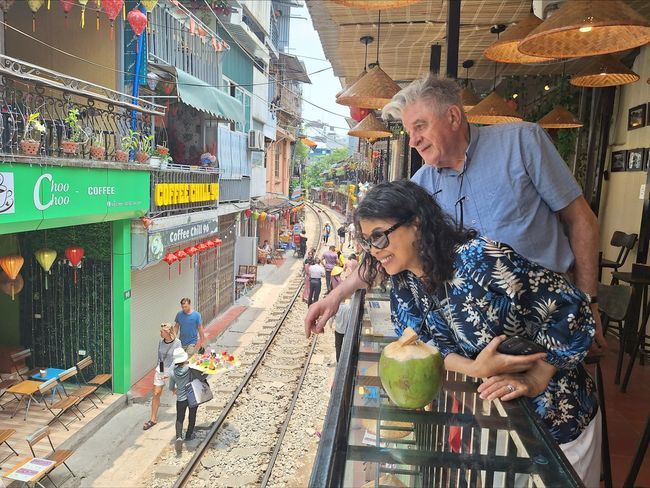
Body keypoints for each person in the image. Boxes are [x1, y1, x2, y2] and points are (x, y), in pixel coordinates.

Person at [305, 75, 604, 354]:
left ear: (453, 117)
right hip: (482, 338)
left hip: (552, 321)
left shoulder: (522, 143)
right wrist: (336, 296)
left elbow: (581, 221)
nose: (413, 141)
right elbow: (387, 253)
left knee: (563, 406)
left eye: (420, 126)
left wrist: (588, 304)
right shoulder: (421, 184)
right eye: (409, 131)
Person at [355, 180, 600, 486]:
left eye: (379, 237)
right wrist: (473, 367)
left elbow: (571, 307)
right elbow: (424, 344)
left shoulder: (479, 260)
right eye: (367, 241)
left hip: (558, 417)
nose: (374, 250)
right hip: (501, 420)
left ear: (416, 223)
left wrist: (538, 375)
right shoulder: (406, 283)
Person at [143, 323, 182, 430]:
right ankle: (153, 419)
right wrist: (161, 371)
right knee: (156, 393)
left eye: (162, 332)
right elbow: (160, 357)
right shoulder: (161, 341)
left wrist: (168, 373)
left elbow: (177, 359)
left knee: (177, 392)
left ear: (168, 332)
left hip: (172, 371)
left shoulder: (177, 343)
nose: (160, 333)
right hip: (161, 369)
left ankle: (182, 415)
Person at [169, 347, 197, 453]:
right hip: (192, 397)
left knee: (179, 418)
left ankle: (179, 437)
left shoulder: (173, 373)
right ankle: (189, 434)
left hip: (180, 398)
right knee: (192, 415)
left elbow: (171, 387)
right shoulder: (190, 368)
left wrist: (175, 390)